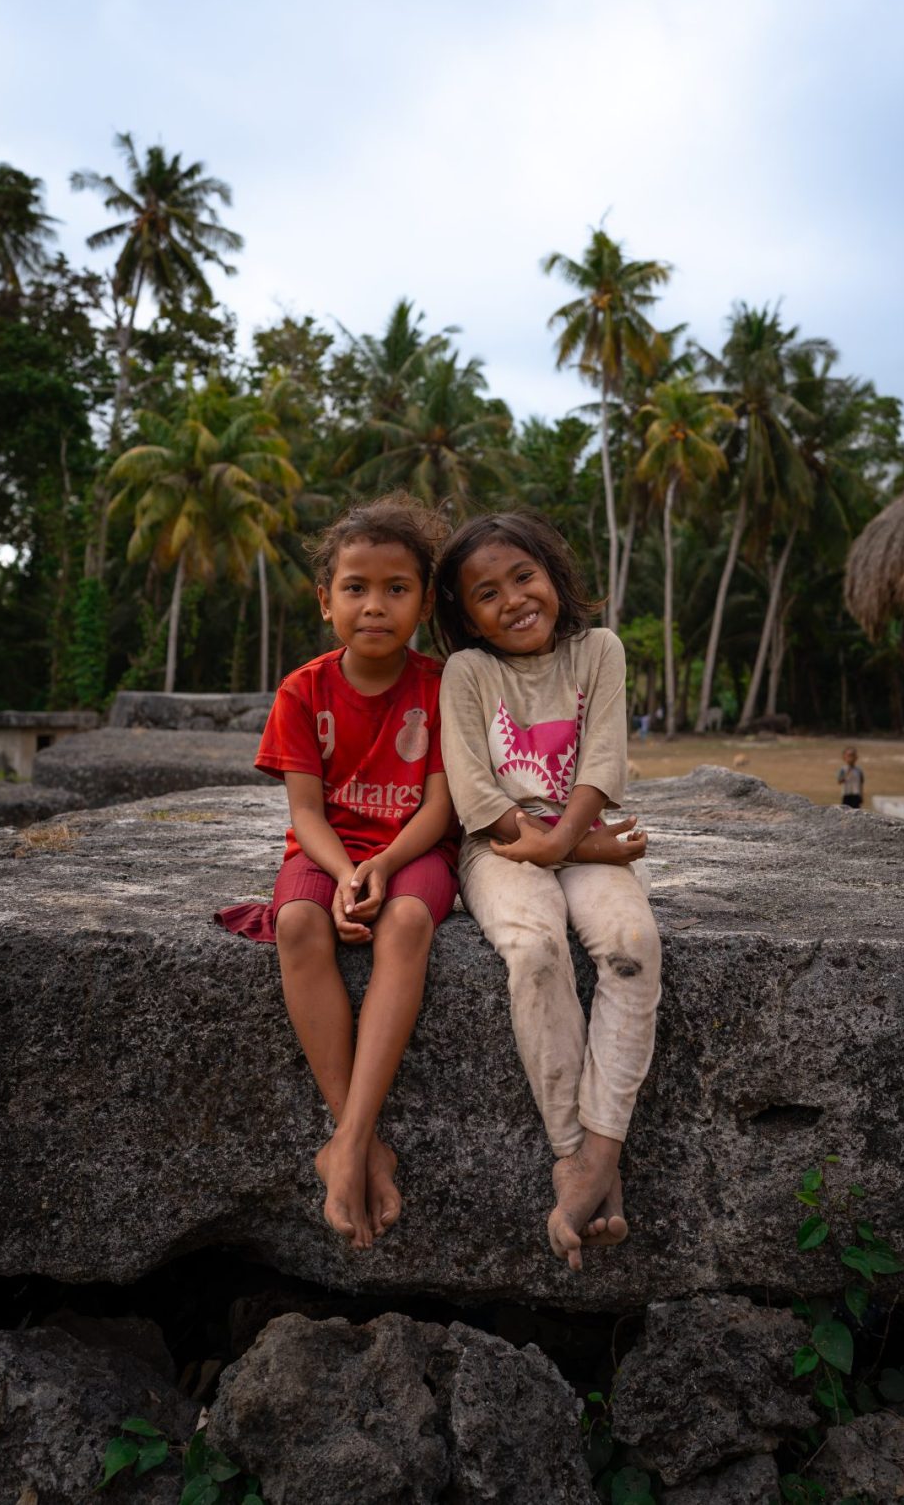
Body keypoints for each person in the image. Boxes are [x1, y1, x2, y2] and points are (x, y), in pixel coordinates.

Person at [215, 495, 458, 1251]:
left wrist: (383, 867)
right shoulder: (304, 691)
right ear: (326, 601)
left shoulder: (444, 687)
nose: (375, 605)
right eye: (355, 588)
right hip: (328, 851)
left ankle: (346, 1143)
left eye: (397, 588)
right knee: (296, 921)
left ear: (422, 601)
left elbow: (441, 809)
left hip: (413, 851)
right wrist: (348, 871)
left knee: (410, 922)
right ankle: (359, 1139)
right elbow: (307, 814)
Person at [434, 511, 662, 1273]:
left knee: (631, 946)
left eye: (523, 577)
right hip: (499, 845)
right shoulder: (469, 674)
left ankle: (599, 1154)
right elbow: (472, 787)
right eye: (486, 594)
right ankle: (577, 1153)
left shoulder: (598, 651)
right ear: (465, 617)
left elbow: (602, 757)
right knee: (534, 951)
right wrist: (565, 843)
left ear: (553, 574)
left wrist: (570, 842)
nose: (512, 600)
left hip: (579, 830)